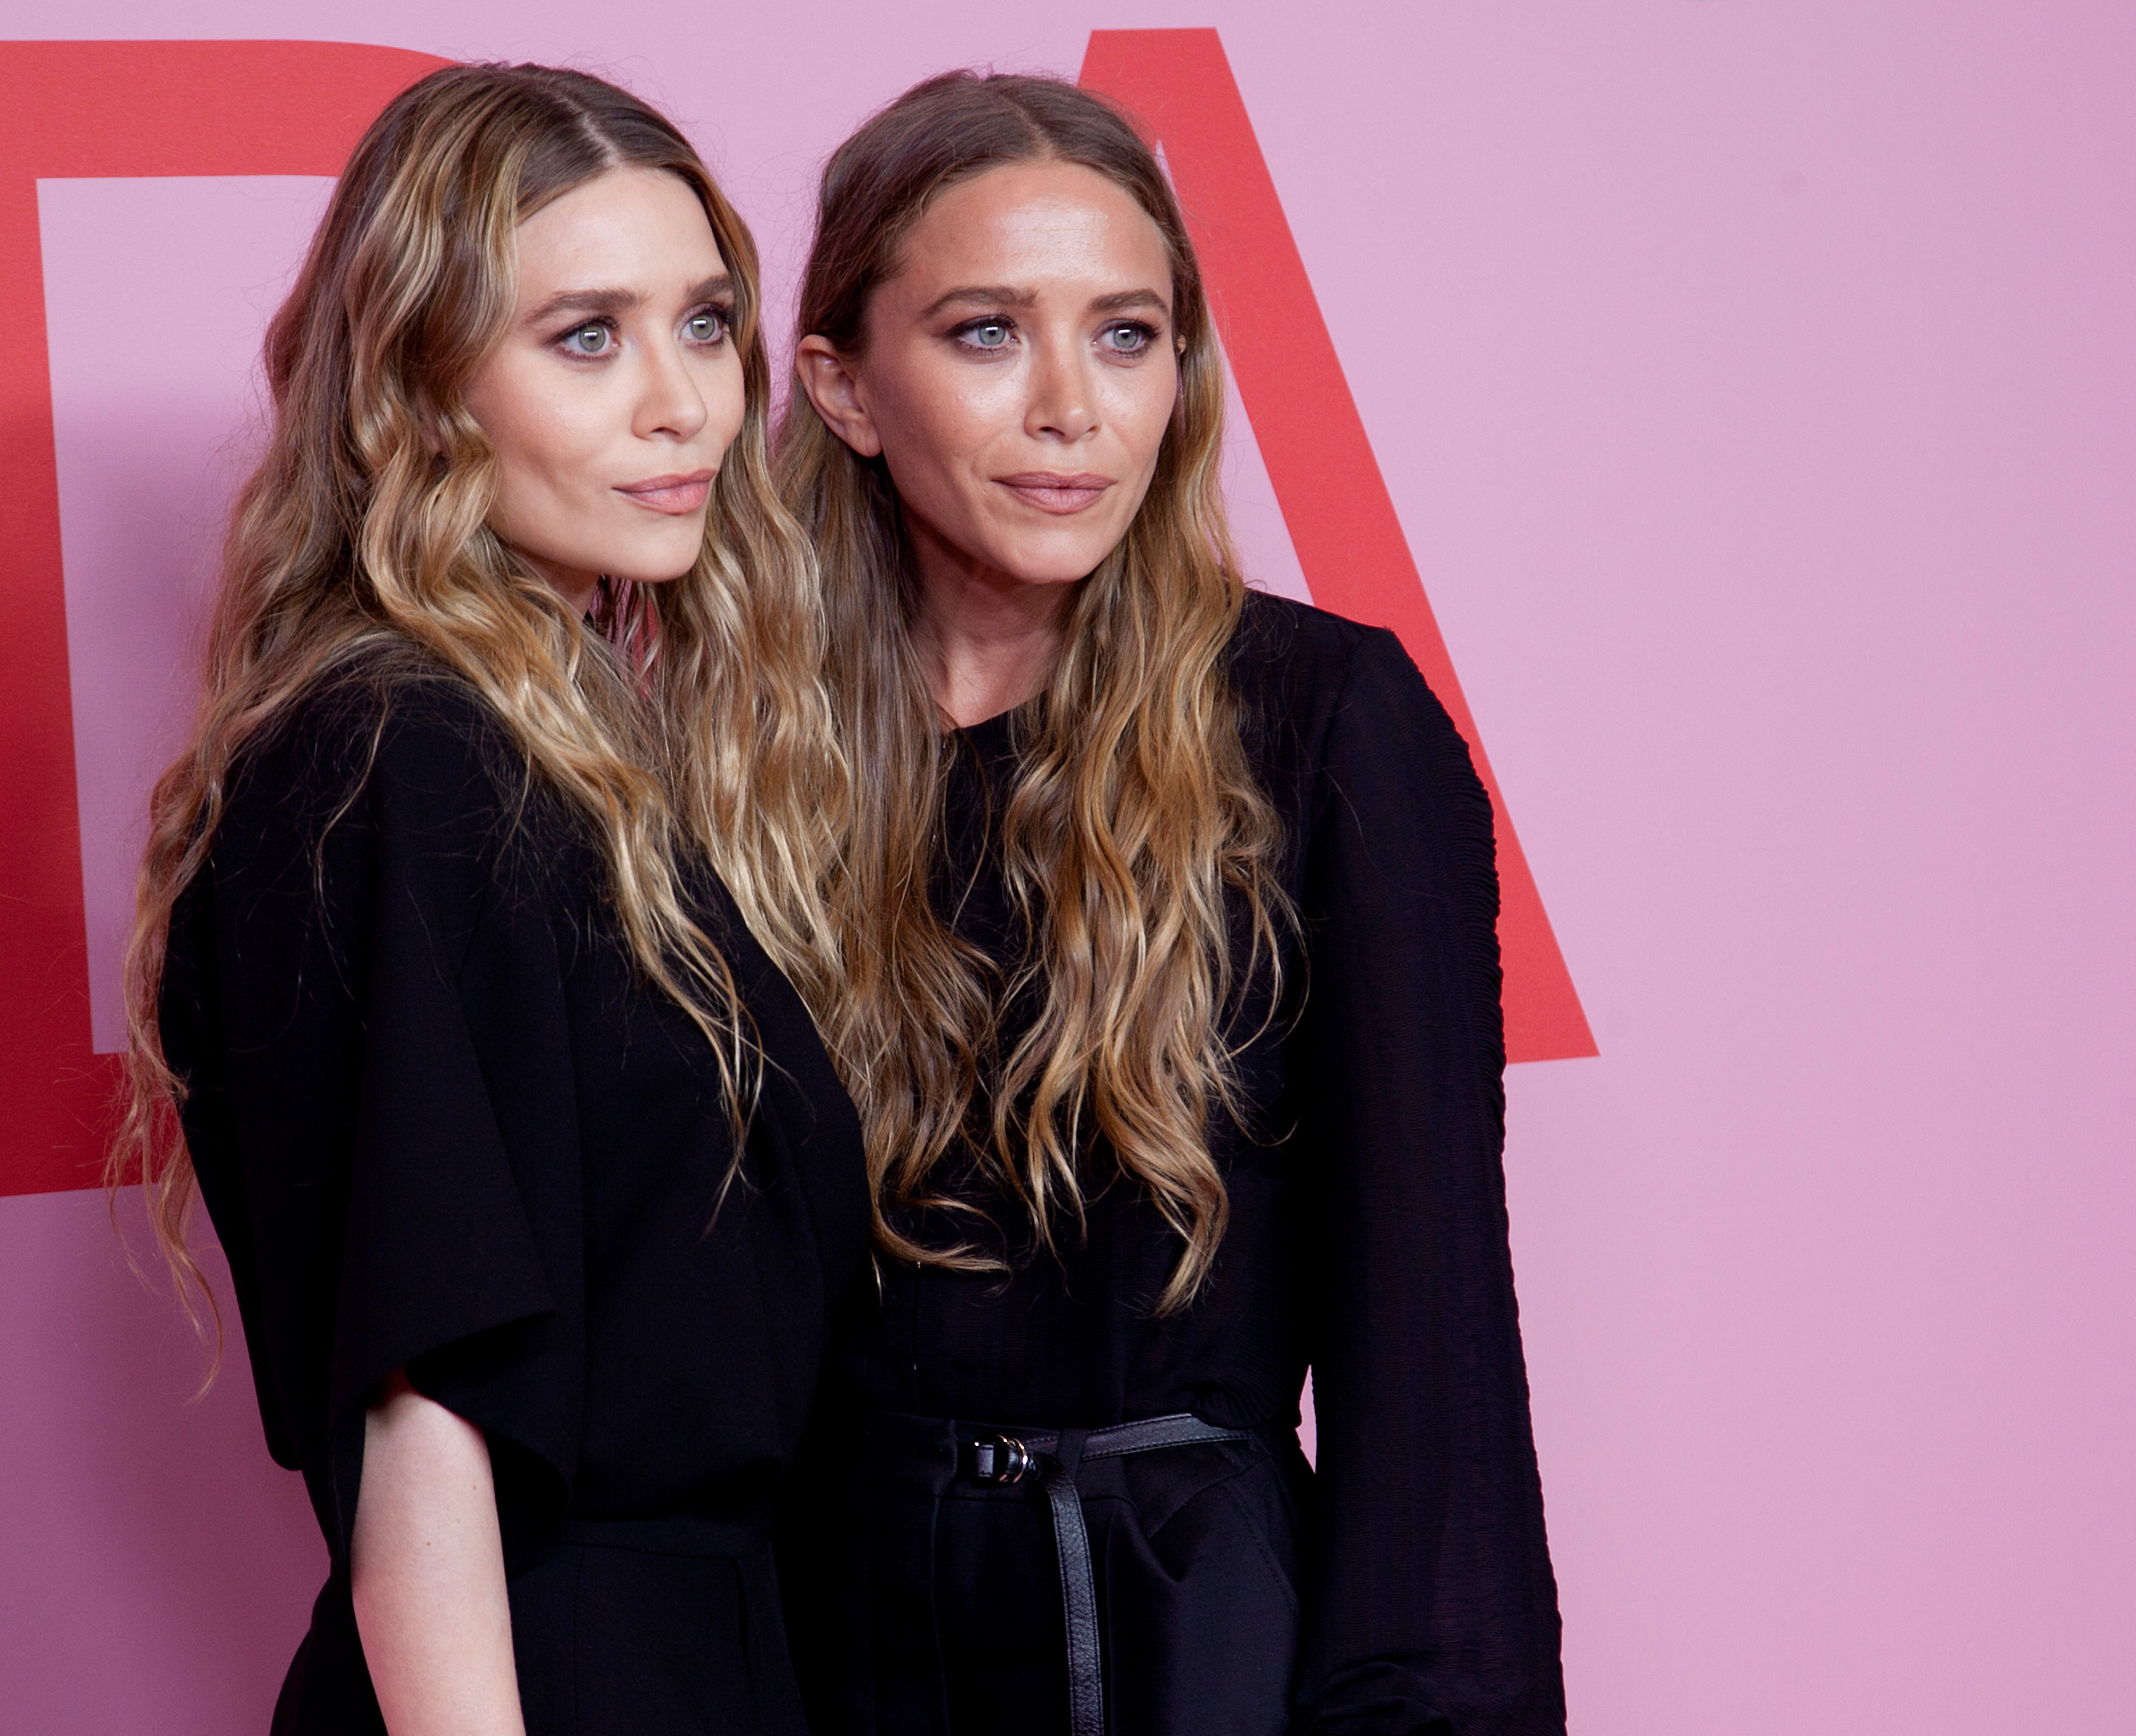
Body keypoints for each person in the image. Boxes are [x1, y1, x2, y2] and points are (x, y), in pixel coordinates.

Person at [773, 72, 1564, 1735]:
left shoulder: (1324, 722)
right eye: (986, 333)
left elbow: (1429, 1365)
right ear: (844, 388)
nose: (1073, 406)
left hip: (1194, 1655)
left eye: (1126, 336)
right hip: (808, 1644)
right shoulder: (723, 757)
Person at [115, 64, 866, 1736]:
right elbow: (420, 1411)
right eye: (584, 337)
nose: (681, 403)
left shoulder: (580, 757)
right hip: (553, 1674)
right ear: (420, 385)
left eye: (704, 322)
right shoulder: (393, 758)